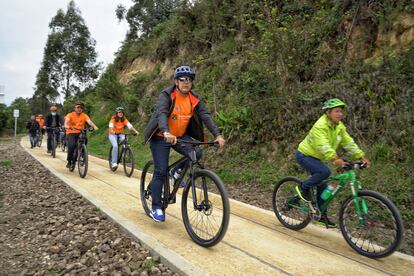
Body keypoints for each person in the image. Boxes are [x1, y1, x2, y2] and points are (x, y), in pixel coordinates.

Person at [144, 65, 225, 222]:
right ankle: (156, 207)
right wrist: (166, 132)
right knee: (160, 170)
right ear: (176, 81)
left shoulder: (194, 99)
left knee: (197, 152)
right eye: (182, 79)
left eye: (189, 79)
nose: (186, 82)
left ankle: (174, 173)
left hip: (180, 136)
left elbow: (206, 116)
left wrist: (217, 135)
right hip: (161, 136)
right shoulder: (167, 95)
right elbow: (161, 113)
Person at [295, 98, 371, 227]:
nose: (340, 114)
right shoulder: (320, 125)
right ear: (328, 113)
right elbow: (323, 145)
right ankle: (303, 187)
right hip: (304, 155)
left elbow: (348, 142)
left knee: (323, 185)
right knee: (324, 171)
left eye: (341, 111)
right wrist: (336, 160)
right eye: (336, 111)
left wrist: (361, 156)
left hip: (317, 157)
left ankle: (320, 215)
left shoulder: (339, 126)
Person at [64, 102, 99, 168]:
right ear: (74, 108)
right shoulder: (70, 115)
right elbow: (66, 121)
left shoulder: (84, 115)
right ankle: (69, 161)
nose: (79, 109)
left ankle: (82, 152)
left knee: (85, 139)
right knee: (71, 146)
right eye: (77, 107)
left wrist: (94, 126)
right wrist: (66, 125)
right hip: (71, 132)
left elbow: (89, 121)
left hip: (80, 132)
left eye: (81, 108)